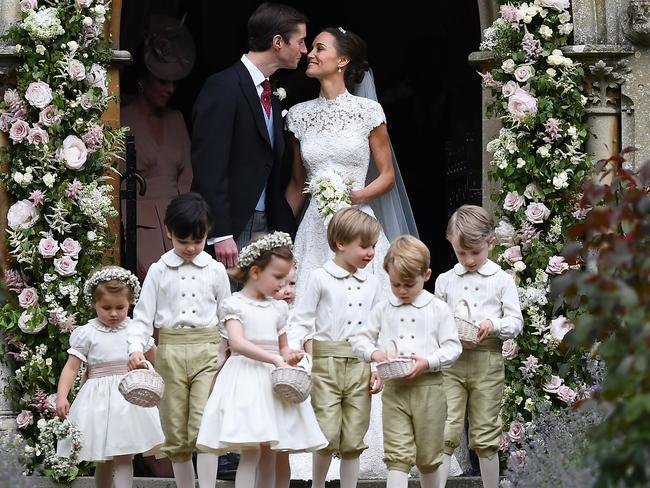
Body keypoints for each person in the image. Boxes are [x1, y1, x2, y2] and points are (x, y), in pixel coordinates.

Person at [195, 231, 328, 488]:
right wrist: (275, 359)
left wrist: (291, 356)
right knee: (252, 451)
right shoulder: (235, 305)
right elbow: (238, 343)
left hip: (273, 385)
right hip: (246, 380)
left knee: (270, 451)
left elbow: (284, 347)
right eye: (277, 277)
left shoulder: (278, 308)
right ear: (255, 272)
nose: (282, 285)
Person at [191, 2, 308, 269]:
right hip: (231, 227)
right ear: (278, 42)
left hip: (266, 222)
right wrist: (221, 232)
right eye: (300, 41)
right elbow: (209, 164)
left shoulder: (270, 93)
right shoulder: (223, 87)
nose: (305, 50)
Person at [127, 193, 231, 488]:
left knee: (206, 424)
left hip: (208, 352)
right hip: (169, 353)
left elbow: (228, 316)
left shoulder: (216, 270)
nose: (190, 248)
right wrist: (136, 348)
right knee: (174, 429)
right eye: (183, 241)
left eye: (197, 242)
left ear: (207, 235)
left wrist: (223, 356)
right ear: (169, 231)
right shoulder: (159, 270)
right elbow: (143, 317)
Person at [285, 26, 399, 295]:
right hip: (313, 227)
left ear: (343, 60)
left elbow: (387, 176)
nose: (309, 54)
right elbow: (297, 183)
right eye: (310, 48)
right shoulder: (298, 116)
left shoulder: (368, 111)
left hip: (357, 222)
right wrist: (282, 234)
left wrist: (354, 197)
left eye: (319, 49)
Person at [351, 236, 462, 487]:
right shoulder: (383, 308)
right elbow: (360, 340)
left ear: (426, 275)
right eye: (395, 284)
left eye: (408, 285)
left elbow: (453, 347)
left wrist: (429, 362)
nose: (401, 291)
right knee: (397, 456)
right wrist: (375, 354)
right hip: (395, 392)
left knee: (429, 457)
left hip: (430, 390)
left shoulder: (437, 309)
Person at [289, 208, 384, 488]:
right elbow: (302, 320)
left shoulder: (374, 282)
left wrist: (377, 367)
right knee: (326, 431)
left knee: (354, 435)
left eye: (374, 247)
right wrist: (295, 353)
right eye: (364, 246)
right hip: (326, 363)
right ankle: (318, 484)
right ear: (341, 244)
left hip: (360, 364)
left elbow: (378, 329)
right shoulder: (320, 277)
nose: (370, 253)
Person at [434, 205, 524, 488]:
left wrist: (493, 325)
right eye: (462, 253)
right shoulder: (445, 280)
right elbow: (434, 320)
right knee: (445, 429)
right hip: (452, 363)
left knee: (485, 432)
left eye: (476, 252)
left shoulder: (501, 281)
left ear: (491, 243)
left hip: (487, 362)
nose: (469, 259)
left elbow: (515, 322)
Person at [55, 266, 164, 488]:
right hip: (98, 403)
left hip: (128, 401)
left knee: (124, 453)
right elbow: (71, 367)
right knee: (102, 458)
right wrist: (61, 396)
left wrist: (151, 367)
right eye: (106, 308)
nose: (113, 313)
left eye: (120, 307)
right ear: (94, 304)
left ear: (130, 303)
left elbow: (158, 358)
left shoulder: (135, 330)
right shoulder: (87, 333)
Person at [121, 14, 195, 280]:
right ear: (143, 81)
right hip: (138, 229)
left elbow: (187, 176)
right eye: (163, 81)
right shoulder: (121, 119)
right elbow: (114, 184)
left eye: (174, 82)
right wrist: (128, 245)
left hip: (177, 227)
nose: (170, 89)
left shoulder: (176, 119)